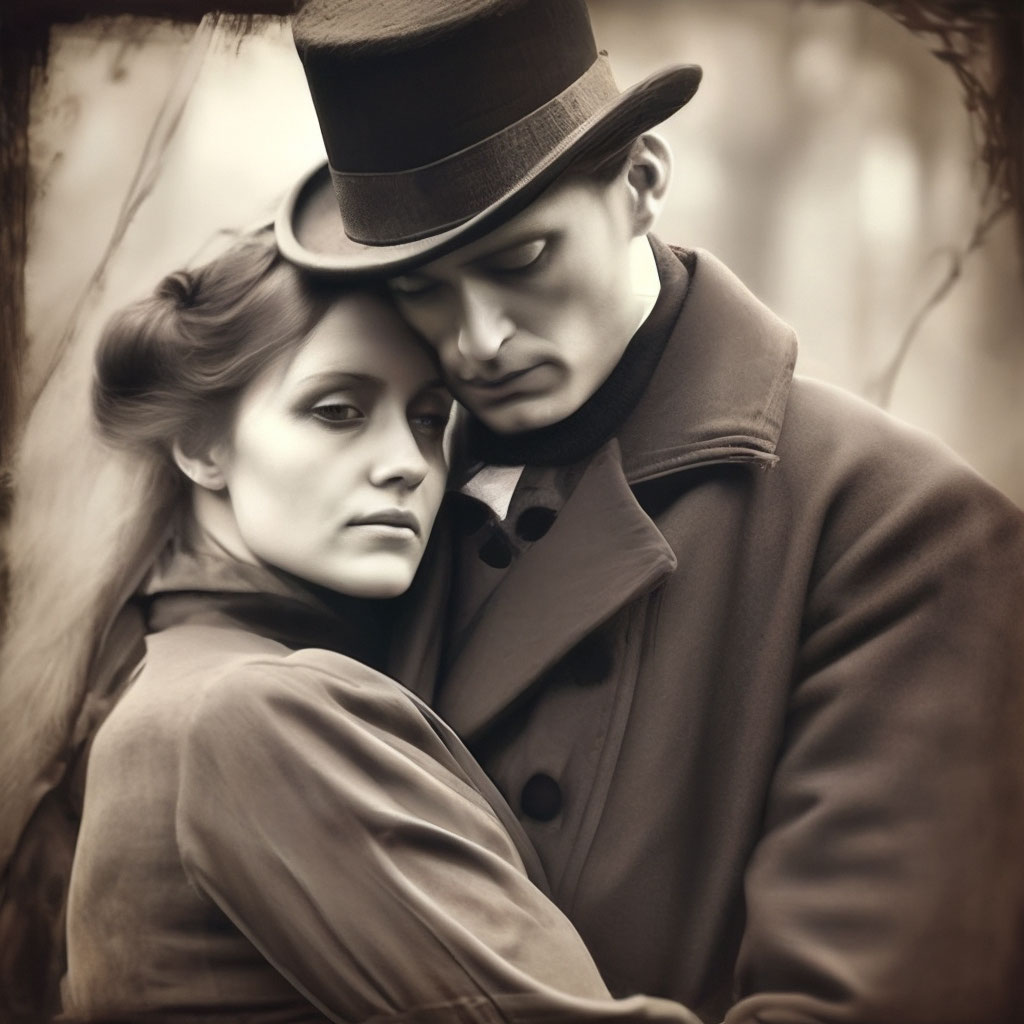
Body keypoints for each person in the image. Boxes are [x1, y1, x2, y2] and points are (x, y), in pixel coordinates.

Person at [275, 2, 1024, 1022]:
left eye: (520, 260)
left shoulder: (901, 528)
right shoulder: (363, 504)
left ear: (641, 182)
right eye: (420, 287)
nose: (478, 340)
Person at [58, 227, 701, 1023]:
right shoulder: (250, 710)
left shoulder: (165, 681)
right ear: (200, 444)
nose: (407, 462)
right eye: (338, 411)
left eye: (429, 419)